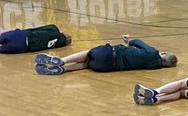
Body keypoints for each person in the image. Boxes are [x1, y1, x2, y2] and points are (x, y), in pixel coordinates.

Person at [35, 34, 177, 75]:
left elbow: (137, 42)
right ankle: (64, 69)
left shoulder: (153, 53)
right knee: (87, 64)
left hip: (109, 53)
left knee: (88, 53)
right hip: (105, 67)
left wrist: (128, 39)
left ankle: (62, 60)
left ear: (163, 53)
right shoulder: (155, 67)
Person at [0, 24, 71, 54]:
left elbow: (51, 27)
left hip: (23, 35)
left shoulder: (53, 31)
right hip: (24, 47)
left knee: (4, 36)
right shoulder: (59, 43)